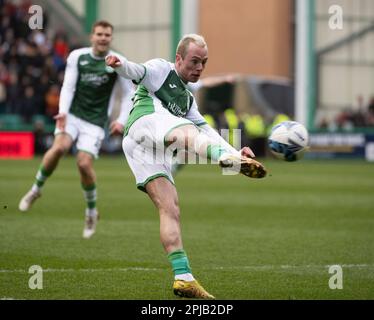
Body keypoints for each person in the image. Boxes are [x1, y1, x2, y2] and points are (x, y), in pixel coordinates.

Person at [105, 34, 267, 299]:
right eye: (194, 61)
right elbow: (136, 70)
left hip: (142, 149)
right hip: (144, 123)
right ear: (179, 58)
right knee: (187, 133)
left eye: (204, 62)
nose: (200, 68)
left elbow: (209, 132)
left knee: (170, 208)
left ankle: (183, 278)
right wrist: (118, 63)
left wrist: (236, 152)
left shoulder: (188, 100)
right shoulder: (162, 69)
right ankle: (226, 162)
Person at [18, 21, 135, 239]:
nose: (102, 38)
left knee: (83, 163)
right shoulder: (77, 57)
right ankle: (36, 190)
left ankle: (91, 212)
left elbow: (129, 94)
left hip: (96, 121)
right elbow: (68, 86)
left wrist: (121, 120)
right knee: (59, 148)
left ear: (111, 38)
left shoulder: (117, 61)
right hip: (72, 114)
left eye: (107, 35)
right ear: (92, 36)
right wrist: (63, 112)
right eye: (99, 34)